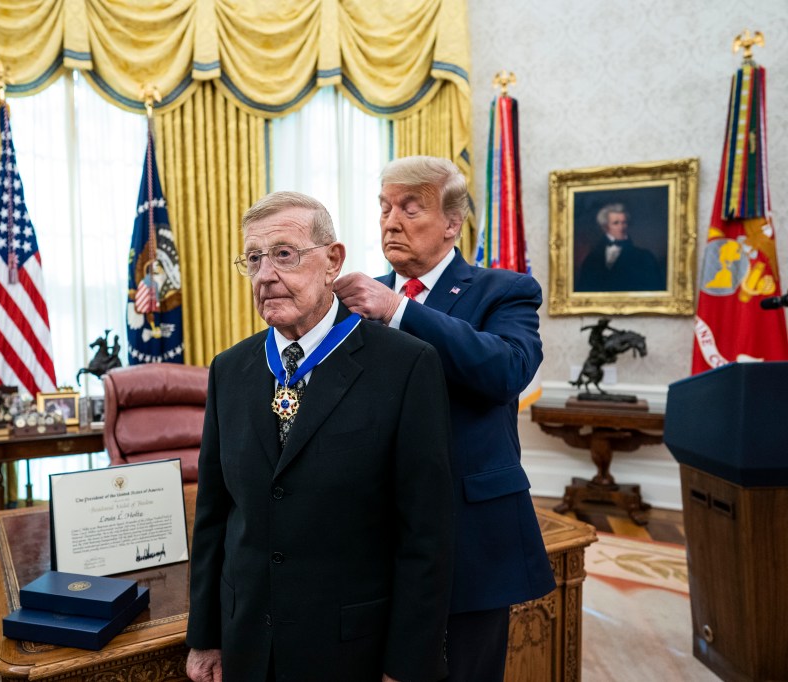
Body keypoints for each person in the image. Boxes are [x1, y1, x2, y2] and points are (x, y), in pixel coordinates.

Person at [186, 191, 454, 682]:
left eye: (284, 254)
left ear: (333, 261)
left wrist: (408, 666)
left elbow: (426, 538)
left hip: (351, 649)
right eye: (253, 259)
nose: (265, 274)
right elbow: (214, 516)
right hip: (247, 642)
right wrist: (204, 635)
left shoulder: (406, 366)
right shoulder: (230, 369)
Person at [333, 156, 555, 681]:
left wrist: (399, 312)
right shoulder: (352, 300)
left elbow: (506, 370)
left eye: (411, 209)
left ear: (452, 223)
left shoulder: (504, 290)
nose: (391, 221)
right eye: (385, 208)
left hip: (469, 533)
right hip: (372, 531)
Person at [574, 203, 665, 292]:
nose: (621, 227)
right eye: (616, 223)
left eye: (624, 222)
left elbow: (654, 290)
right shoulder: (592, 258)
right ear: (605, 227)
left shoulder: (645, 257)